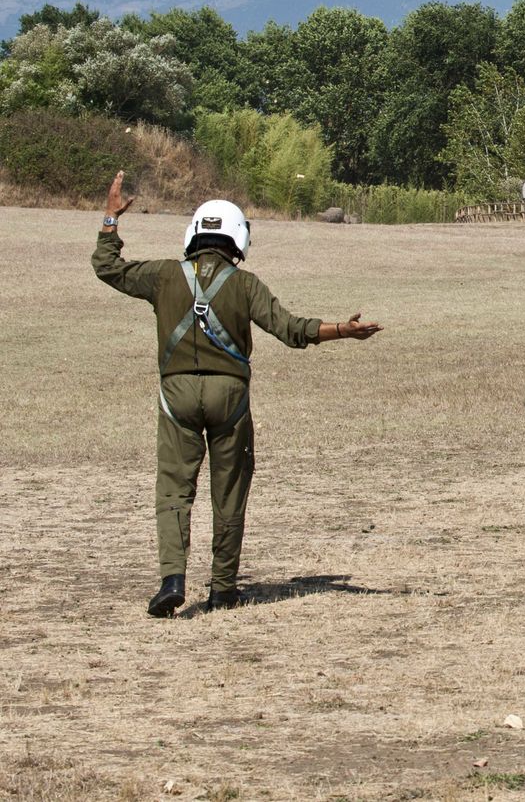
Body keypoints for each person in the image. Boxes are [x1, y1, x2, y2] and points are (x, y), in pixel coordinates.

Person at [92, 171, 383, 617]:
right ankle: (224, 589)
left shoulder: (163, 276)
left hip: (176, 396)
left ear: (193, 234)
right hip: (230, 397)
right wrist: (344, 330)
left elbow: (108, 268)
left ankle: (172, 579)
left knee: (174, 491)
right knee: (227, 493)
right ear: (238, 239)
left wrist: (111, 218)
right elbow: (292, 331)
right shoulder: (246, 285)